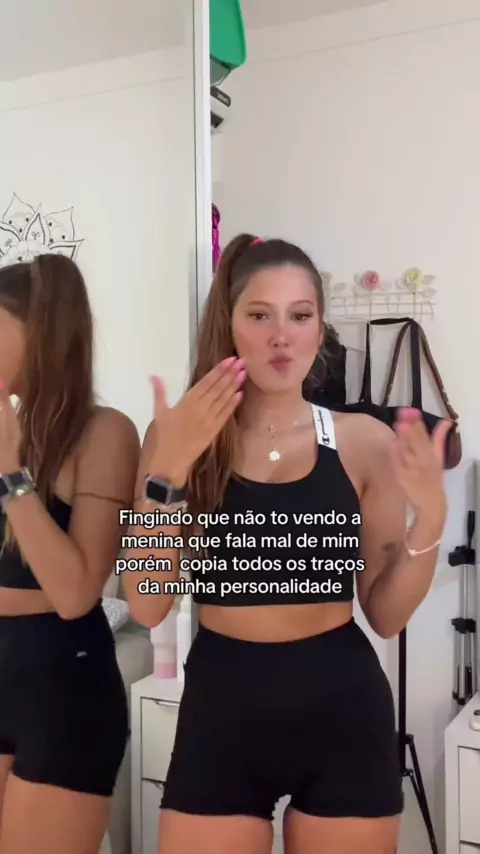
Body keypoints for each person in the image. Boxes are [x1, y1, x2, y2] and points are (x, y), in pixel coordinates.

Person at [124, 234, 449, 854]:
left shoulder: (363, 441)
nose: (281, 337)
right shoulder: (176, 436)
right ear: (229, 326)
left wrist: (429, 521)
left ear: (318, 329)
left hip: (342, 709)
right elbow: (145, 603)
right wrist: (167, 473)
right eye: (259, 315)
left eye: (299, 316)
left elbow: (386, 615)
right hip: (221, 709)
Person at [0, 254, 140, 854]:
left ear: (41, 333)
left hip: (63, 690)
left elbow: (77, 592)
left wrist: (10, 474)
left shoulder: (104, 432)